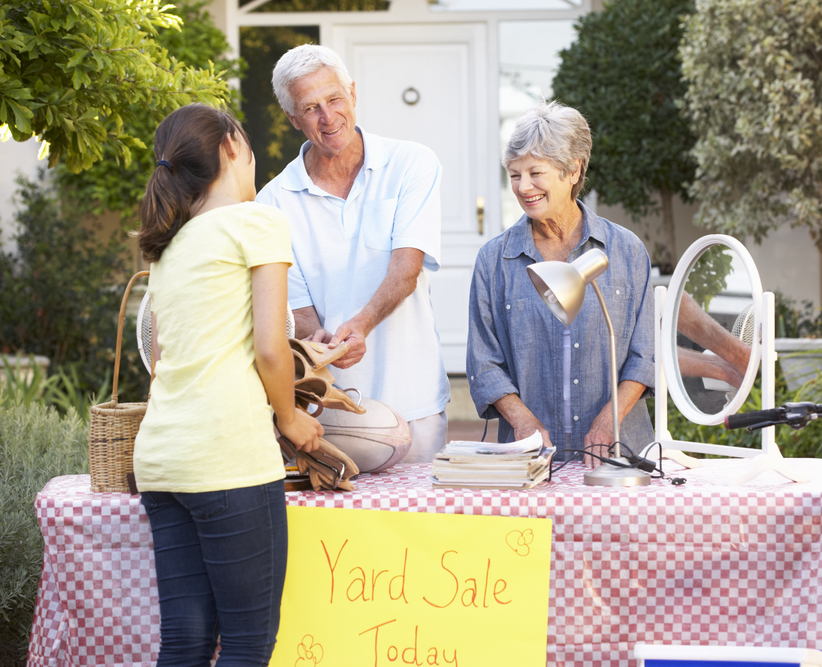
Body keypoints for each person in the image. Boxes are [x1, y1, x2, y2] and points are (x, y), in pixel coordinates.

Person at [133, 104, 323, 667]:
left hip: (163, 460)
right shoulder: (256, 220)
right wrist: (290, 419)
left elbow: (167, 357)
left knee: (186, 643)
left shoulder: (170, 246)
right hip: (227, 458)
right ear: (230, 149)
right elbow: (270, 346)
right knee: (247, 643)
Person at [256, 44, 450, 463]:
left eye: (335, 99)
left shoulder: (411, 164)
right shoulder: (271, 202)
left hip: (415, 400)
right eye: (311, 108)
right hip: (332, 413)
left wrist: (360, 325)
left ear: (353, 93)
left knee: (426, 527)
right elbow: (296, 307)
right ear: (292, 119)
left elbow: (406, 270)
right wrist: (316, 339)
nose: (328, 118)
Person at [467, 101, 656, 468]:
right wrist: (523, 421)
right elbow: (484, 363)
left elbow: (645, 357)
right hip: (531, 461)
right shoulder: (493, 261)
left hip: (618, 456)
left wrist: (609, 420)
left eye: (536, 173)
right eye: (515, 174)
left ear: (573, 170)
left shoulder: (626, 251)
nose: (524, 187)